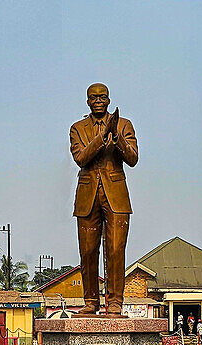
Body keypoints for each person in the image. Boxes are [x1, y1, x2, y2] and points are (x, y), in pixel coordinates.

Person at [70, 83, 138, 317]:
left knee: (116, 249)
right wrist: (102, 137)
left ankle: (115, 302)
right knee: (88, 251)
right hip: (87, 194)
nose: (98, 100)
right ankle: (90, 301)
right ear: (87, 101)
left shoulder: (124, 124)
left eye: (102, 97)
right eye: (93, 97)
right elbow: (80, 158)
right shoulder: (77, 128)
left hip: (116, 195)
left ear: (109, 100)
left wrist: (116, 138)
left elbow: (133, 158)